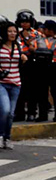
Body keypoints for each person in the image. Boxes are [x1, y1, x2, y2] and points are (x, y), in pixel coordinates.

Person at [31, 20, 56, 122]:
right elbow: (31, 47)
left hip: (54, 66)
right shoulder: (39, 39)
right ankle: (42, 115)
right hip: (41, 66)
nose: (43, 30)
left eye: (45, 28)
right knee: (41, 92)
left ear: (50, 30)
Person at [1, 20, 26, 149]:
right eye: (10, 31)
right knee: (5, 110)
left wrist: (23, 58)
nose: (12, 33)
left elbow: (21, 61)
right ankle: (0, 136)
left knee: (11, 114)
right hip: (2, 84)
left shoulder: (18, 45)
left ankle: (7, 138)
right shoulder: (0, 46)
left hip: (16, 83)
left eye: (15, 31)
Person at [14, 10, 40, 122]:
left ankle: (31, 113)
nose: (24, 24)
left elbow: (35, 49)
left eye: (26, 22)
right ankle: (19, 113)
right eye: (22, 22)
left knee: (32, 90)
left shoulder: (37, 34)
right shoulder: (16, 34)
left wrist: (27, 39)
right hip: (20, 63)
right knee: (20, 90)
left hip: (32, 62)